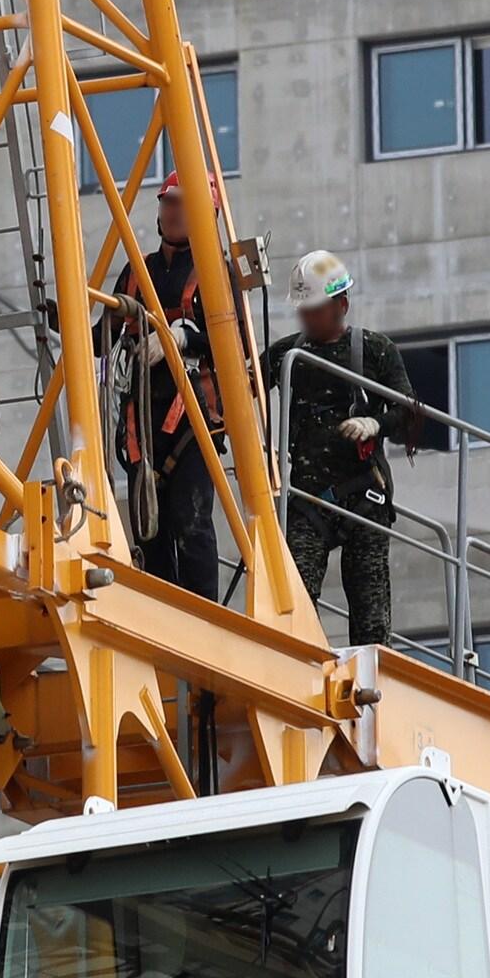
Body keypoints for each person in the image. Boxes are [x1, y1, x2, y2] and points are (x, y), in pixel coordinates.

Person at [97, 169, 235, 602]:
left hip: (192, 421)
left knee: (191, 525)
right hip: (143, 426)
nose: (173, 213)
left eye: (183, 205)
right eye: (168, 204)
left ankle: (207, 621)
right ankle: (163, 619)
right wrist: (58, 319)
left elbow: (233, 345)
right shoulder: (140, 271)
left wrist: (181, 335)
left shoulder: (215, 273)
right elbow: (103, 337)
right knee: (149, 532)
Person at [266, 249, 414, 647]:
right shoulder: (287, 355)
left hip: (363, 493)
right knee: (295, 595)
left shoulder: (374, 351)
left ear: (341, 305)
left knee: (370, 609)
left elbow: (408, 413)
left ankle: (371, 682)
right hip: (309, 497)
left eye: (314, 309)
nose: (307, 318)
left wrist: (375, 423)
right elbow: (241, 388)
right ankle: (302, 668)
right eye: (303, 310)